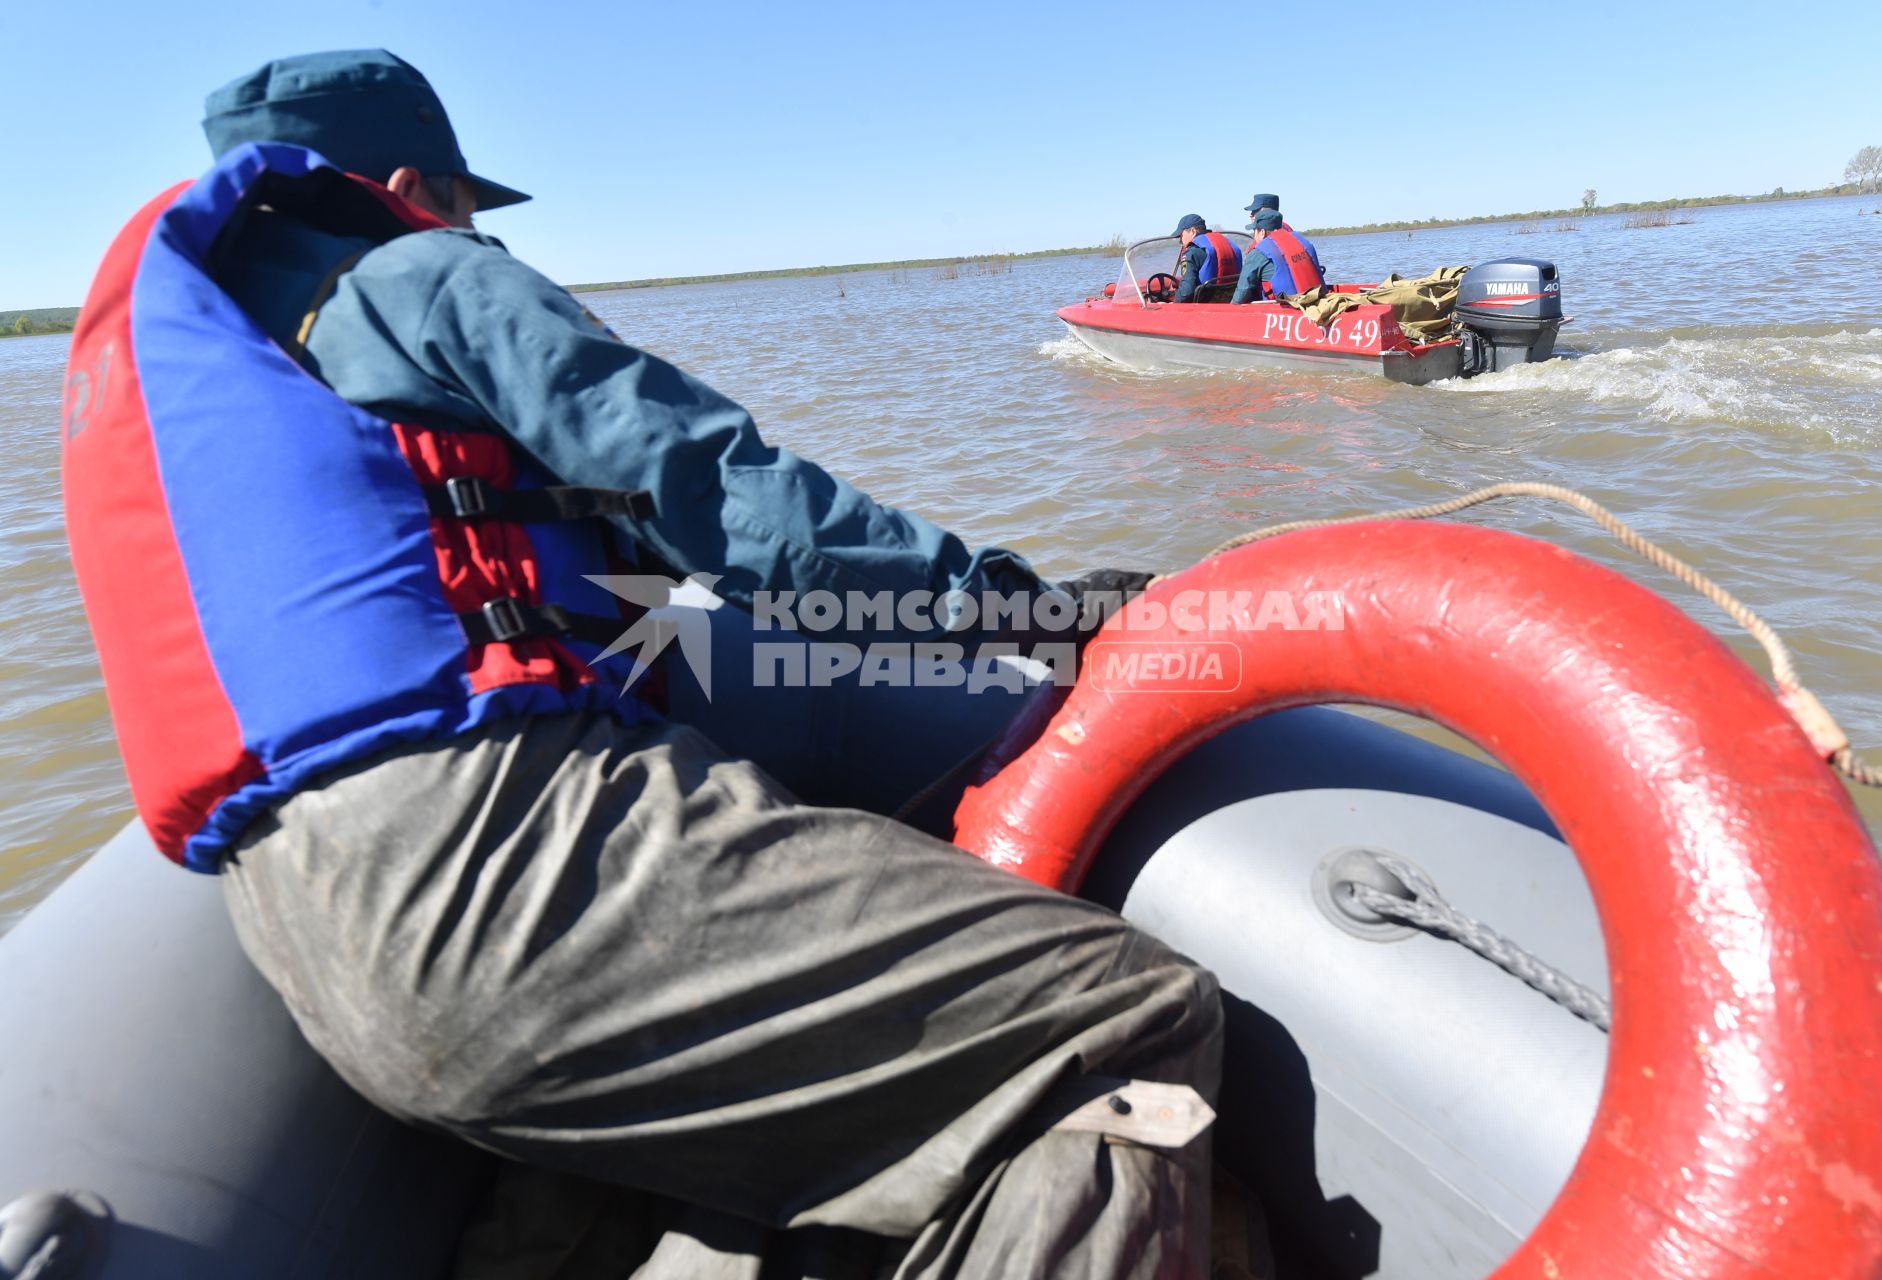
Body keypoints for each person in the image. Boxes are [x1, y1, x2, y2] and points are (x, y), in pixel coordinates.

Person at [61, 49, 1224, 1279]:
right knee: (1123, 1017)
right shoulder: (418, 272)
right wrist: (1017, 610)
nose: (465, 229)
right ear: (410, 183)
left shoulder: (212, 359)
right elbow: (727, 499)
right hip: (508, 851)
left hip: (312, 940)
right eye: (459, 202)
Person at [1232, 207, 1326, 304]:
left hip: (1283, 309)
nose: (1254, 235)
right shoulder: (1302, 242)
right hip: (1316, 301)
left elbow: (1241, 294)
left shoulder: (1257, 253)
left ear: (1262, 232)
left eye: (1255, 231)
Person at [1170, 213, 1240, 303]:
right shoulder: (1229, 246)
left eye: (1181, 235)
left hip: (1204, 307)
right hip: (1229, 302)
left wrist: (1173, 301)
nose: (1180, 240)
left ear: (1192, 231)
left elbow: (1186, 292)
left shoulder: (1192, 252)